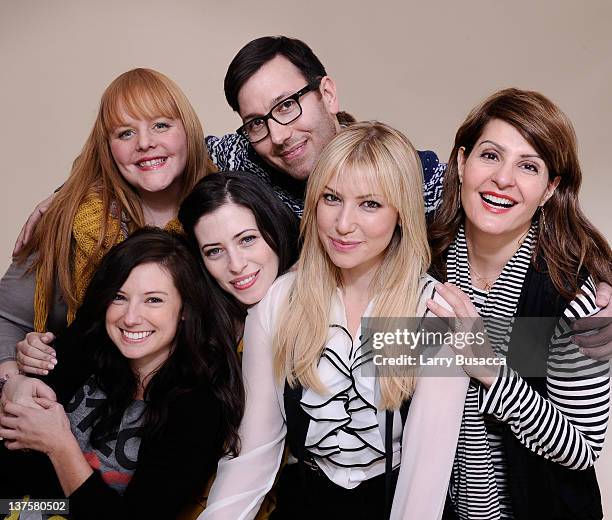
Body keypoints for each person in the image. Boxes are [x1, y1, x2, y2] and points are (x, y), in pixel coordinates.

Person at [13, 36, 612, 360]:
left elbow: (510, 193)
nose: (279, 132)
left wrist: (599, 271)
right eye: (257, 120)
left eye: (288, 105)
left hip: (391, 379)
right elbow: (154, 148)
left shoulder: (410, 175)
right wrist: (70, 190)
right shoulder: (238, 157)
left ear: (326, 91)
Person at [200, 122, 470, 520]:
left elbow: (427, 471)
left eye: (370, 204)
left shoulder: (434, 311)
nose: (343, 224)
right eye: (331, 198)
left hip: (397, 503)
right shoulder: (278, 302)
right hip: (305, 502)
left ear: (402, 214)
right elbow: (254, 453)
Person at [426, 88, 611, 519]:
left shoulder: (574, 295)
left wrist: (490, 368)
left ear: (549, 189)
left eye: (528, 166)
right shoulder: (425, 267)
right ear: (461, 161)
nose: (503, 179)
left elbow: (582, 447)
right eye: (490, 156)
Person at [0, 228, 244, 519]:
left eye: (153, 300)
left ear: (185, 309)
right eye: (119, 297)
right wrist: (17, 383)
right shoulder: (89, 344)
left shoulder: (199, 406)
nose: (130, 318)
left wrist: (60, 445)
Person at [0, 67, 216, 383]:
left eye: (161, 125)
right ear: (108, 146)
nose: (145, 142)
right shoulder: (73, 219)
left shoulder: (227, 213)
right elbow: (5, 317)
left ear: (189, 131)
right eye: (125, 133)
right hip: (92, 411)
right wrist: (14, 376)